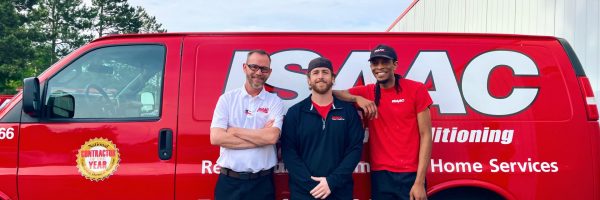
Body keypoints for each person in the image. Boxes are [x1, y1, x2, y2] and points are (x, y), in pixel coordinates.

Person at [333, 44, 433, 200]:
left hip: (411, 174)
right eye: (375, 63)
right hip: (380, 175)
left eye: (384, 62)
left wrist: (419, 182)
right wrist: (357, 98)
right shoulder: (367, 91)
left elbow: (426, 135)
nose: (379, 67)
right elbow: (333, 93)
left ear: (395, 64)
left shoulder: (416, 89)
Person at [282, 57, 364, 199]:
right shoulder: (295, 112)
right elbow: (289, 153)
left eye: (325, 72)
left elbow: (354, 150)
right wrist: (312, 185)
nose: (320, 76)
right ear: (309, 80)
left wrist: (331, 182)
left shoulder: (348, 111)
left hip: (339, 191)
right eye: (316, 72)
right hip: (304, 193)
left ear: (333, 78)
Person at [210, 49, 285, 200]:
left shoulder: (275, 102)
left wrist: (234, 131)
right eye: (254, 67)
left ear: (269, 72)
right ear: (245, 67)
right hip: (229, 183)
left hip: (262, 184)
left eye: (263, 69)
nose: (258, 72)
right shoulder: (227, 99)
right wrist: (260, 137)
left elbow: (271, 138)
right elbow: (217, 138)